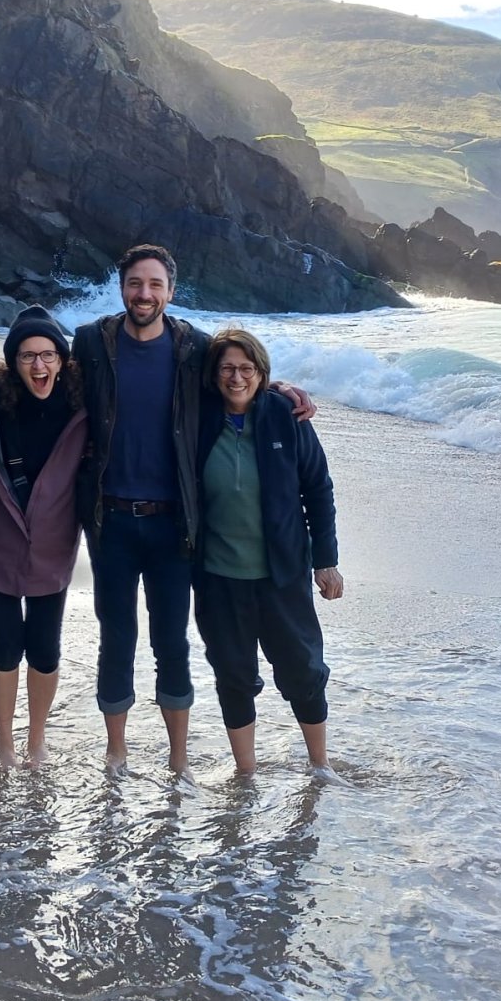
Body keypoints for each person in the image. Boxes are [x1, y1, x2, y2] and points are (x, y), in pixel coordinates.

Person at [73, 243, 314, 775]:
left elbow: (238, 379)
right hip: (109, 519)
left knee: (171, 641)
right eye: (136, 283)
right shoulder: (92, 342)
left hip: (172, 523)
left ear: (171, 292)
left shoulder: (193, 348)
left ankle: (178, 757)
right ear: (122, 287)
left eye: (155, 284)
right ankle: (117, 750)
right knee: (116, 636)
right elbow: (55, 386)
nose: (145, 294)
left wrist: (278, 388)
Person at [193, 327, 343, 775]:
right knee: (233, 676)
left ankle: (320, 764)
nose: (236, 378)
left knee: (303, 671)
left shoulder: (286, 415)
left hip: (282, 575)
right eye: (226, 368)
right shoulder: (196, 420)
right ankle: (246, 773)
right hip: (219, 578)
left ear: (261, 373)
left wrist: (326, 561)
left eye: (246, 368)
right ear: (213, 374)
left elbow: (318, 489)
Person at [0, 305, 87, 768]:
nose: (39, 366)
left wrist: (275, 388)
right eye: (27, 357)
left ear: (62, 359)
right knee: (4, 643)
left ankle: (36, 738)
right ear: (13, 363)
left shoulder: (82, 405)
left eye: (48, 355)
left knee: (44, 646)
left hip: (53, 542)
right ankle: (4, 742)